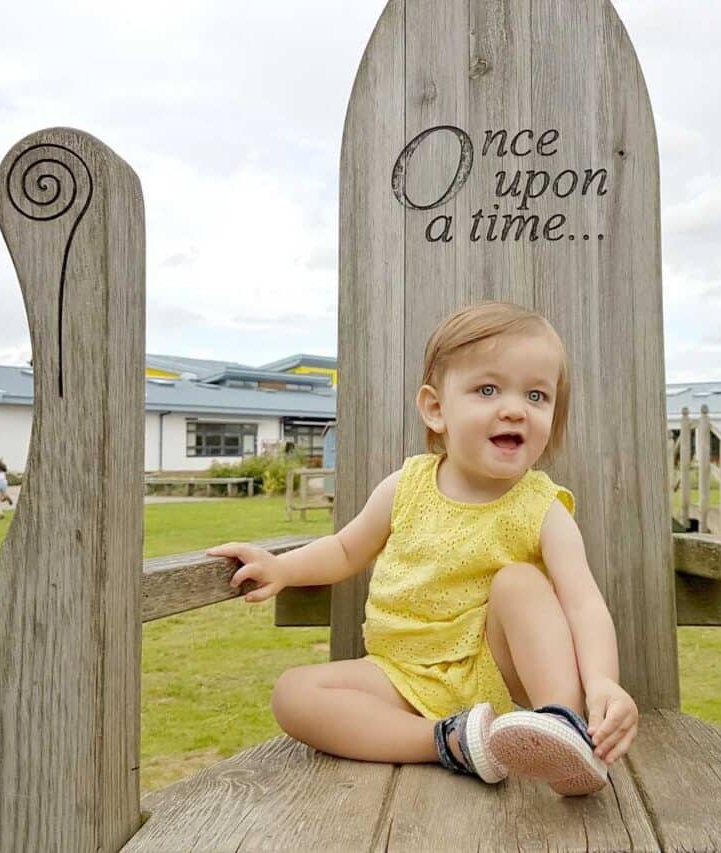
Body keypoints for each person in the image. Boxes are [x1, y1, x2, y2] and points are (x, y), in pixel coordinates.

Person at [207, 301, 638, 796]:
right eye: (488, 389)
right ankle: (452, 742)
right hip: (398, 675)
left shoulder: (543, 508)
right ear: (436, 409)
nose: (515, 408)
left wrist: (603, 681)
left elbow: (583, 603)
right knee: (294, 694)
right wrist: (281, 567)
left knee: (519, 582)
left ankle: (563, 726)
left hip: (493, 669)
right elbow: (346, 550)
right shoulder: (405, 486)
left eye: (537, 395)